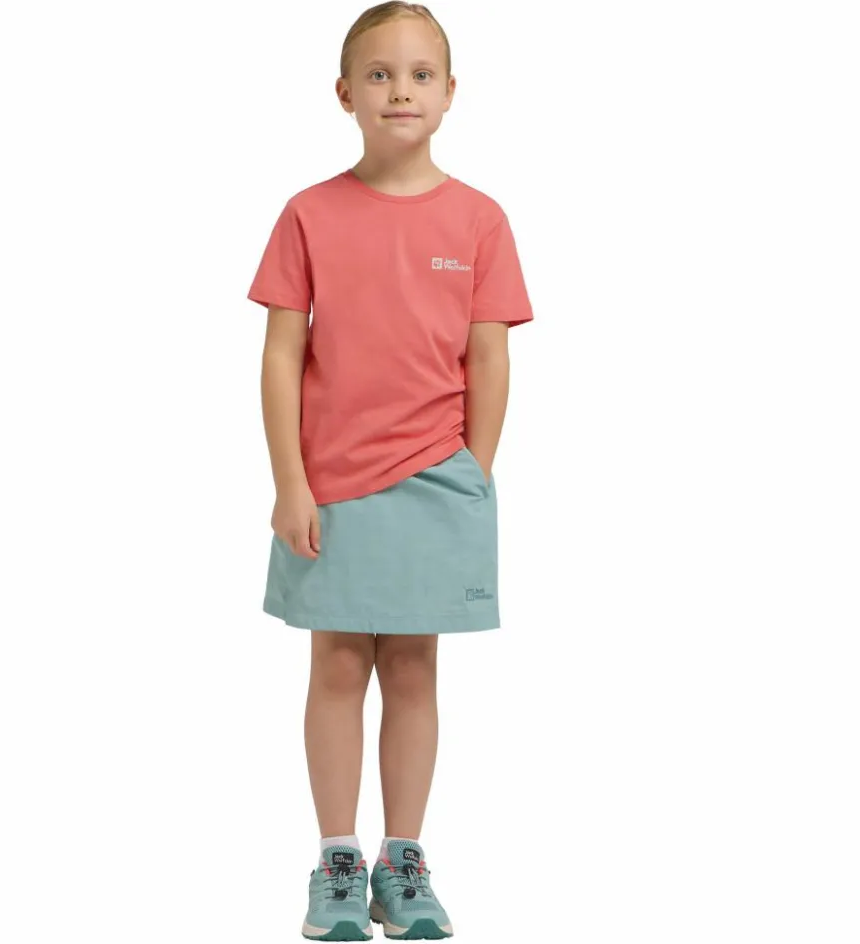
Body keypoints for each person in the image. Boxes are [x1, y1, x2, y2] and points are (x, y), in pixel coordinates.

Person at [247, 3, 534, 939]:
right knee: (337, 663)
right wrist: (290, 481)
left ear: (450, 94)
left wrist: (473, 473)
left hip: (437, 480)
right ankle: (337, 859)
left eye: (419, 75)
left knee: (413, 668)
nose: (400, 90)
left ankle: (402, 861)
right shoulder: (309, 213)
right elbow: (282, 354)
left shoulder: (480, 219)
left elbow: (488, 355)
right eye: (379, 74)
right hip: (331, 484)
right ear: (344, 94)